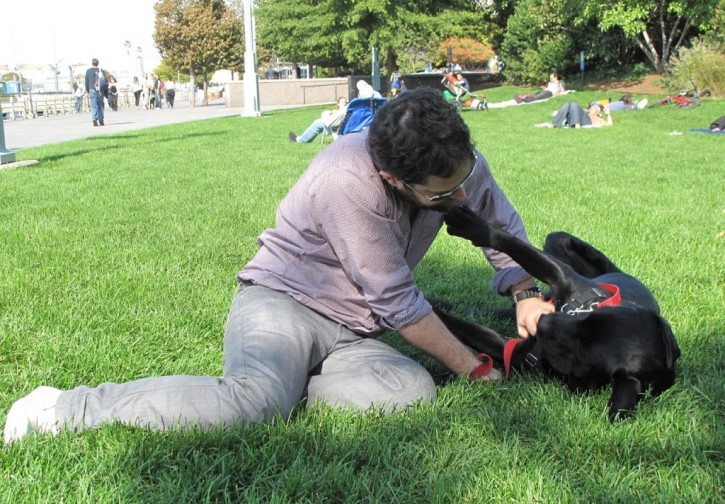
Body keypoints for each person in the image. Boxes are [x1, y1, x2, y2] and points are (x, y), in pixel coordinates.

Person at [3, 88, 552, 444]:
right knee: (252, 404)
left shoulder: (452, 163)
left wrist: (525, 290)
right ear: (393, 178)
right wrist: (473, 366)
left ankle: (291, 385)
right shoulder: (345, 180)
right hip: (283, 304)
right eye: (443, 194)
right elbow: (397, 299)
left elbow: (493, 217)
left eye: (464, 178)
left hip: (354, 330)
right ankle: (63, 409)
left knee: (409, 392)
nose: (461, 196)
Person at [546, 102, 613, 128]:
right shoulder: (585, 111)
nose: (592, 108)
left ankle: (577, 124)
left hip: (586, 121)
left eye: (595, 107)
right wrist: (558, 111)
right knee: (566, 104)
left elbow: (609, 124)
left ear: (598, 112)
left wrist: (608, 114)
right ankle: (554, 124)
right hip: (571, 119)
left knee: (574, 104)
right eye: (592, 107)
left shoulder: (598, 118)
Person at [84, 58, 105, 126]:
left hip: (92, 89)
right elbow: (104, 81)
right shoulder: (101, 70)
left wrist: (88, 90)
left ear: (92, 63)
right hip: (100, 90)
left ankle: (94, 119)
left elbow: (86, 82)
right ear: (98, 63)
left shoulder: (88, 71)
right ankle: (101, 120)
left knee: (93, 105)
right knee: (100, 105)